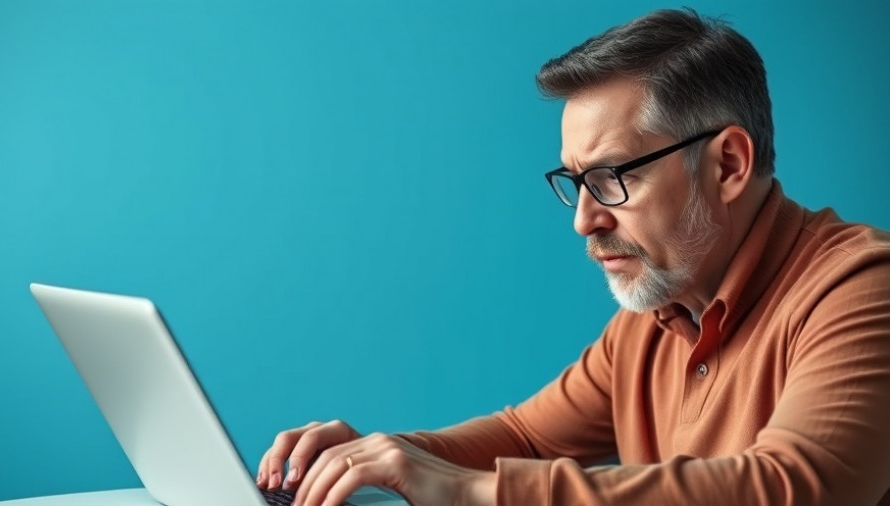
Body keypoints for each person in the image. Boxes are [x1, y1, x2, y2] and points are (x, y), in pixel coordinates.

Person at [256, 8, 890, 505]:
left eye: (614, 177)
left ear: (728, 164)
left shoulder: (862, 288)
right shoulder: (654, 320)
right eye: (577, 183)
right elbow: (526, 438)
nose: (586, 219)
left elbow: (797, 488)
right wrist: (380, 455)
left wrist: (466, 492)